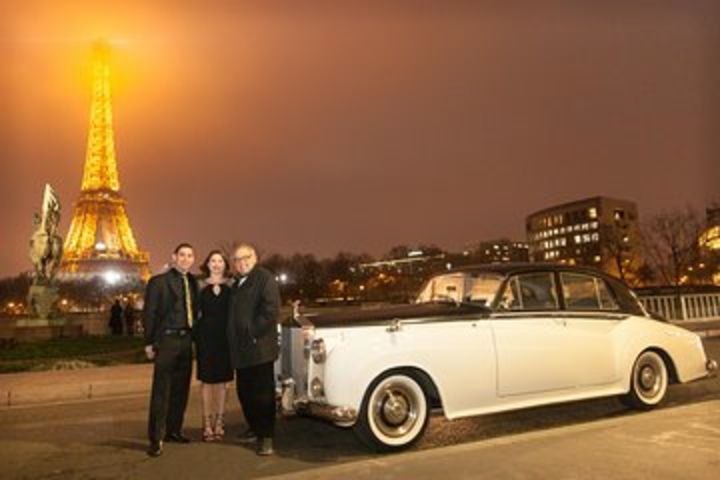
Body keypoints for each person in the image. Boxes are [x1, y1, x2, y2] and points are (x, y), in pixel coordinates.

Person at [142, 243, 199, 457]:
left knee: (180, 390)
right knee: (161, 391)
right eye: (182, 255)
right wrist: (149, 342)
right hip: (166, 340)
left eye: (189, 255)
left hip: (186, 341)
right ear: (173, 257)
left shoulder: (193, 282)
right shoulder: (158, 282)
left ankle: (174, 430)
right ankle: (155, 438)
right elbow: (150, 313)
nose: (185, 259)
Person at [228, 243, 281, 456]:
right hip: (242, 350)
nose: (241, 262)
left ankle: (266, 436)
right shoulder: (236, 283)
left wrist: (251, 332)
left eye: (245, 257)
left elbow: (270, 311)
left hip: (258, 348)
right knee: (245, 393)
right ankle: (254, 427)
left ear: (255, 257)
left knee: (263, 395)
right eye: (237, 260)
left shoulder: (264, 278)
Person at [195, 250, 234, 441]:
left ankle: (219, 421)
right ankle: (207, 423)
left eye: (220, 261)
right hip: (206, 339)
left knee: (223, 384)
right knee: (207, 383)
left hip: (225, 340)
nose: (216, 264)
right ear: (207, 264)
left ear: (225, 265)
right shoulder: (199, 286)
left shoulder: (232, 286)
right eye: (213, 260)